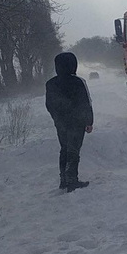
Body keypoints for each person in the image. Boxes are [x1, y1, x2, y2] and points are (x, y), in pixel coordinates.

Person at [45, 52, 93, 192]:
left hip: (60, 123)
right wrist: (88, 121)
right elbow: (86, 103)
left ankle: (63, 180)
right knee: (73, 150)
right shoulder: (78, 82)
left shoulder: (51, 83)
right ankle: (72, 180)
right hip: (77, 122)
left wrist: (57, 118)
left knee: (64, 149)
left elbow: (49, 105)